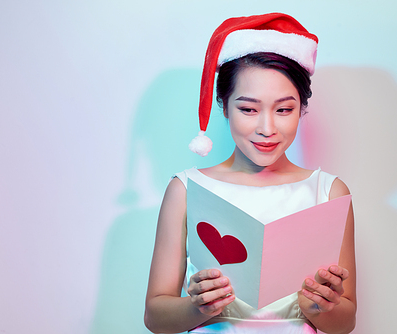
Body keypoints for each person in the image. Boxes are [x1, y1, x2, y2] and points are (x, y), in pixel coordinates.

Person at [144, 13, 356, 334]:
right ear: (224, 104)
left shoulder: (329, 192)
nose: (267, 128)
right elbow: (155, 318)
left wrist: (322, 304)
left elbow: (345, 322)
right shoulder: (187, 189)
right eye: (248, 109)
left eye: (284, 109)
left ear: (302, 108)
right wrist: (197, 305)